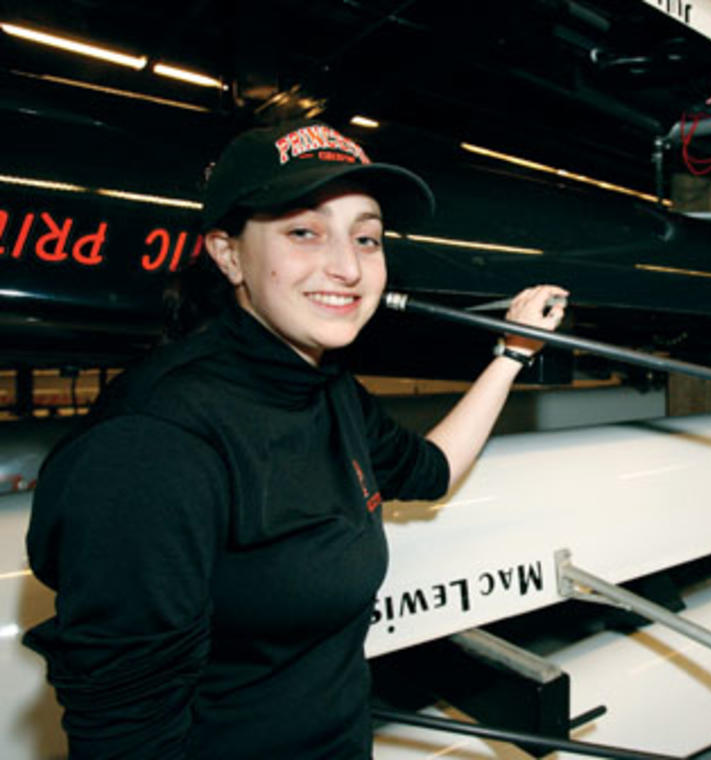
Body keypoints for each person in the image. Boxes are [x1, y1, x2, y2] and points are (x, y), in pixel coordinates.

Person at [23, 119, 568, 758]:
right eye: (303, 232)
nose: (347, 268)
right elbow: (126, 738)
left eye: (366, 238)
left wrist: (511, 353)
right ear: (229, 254)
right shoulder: (155, 446)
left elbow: (429, 470)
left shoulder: (325, 386)